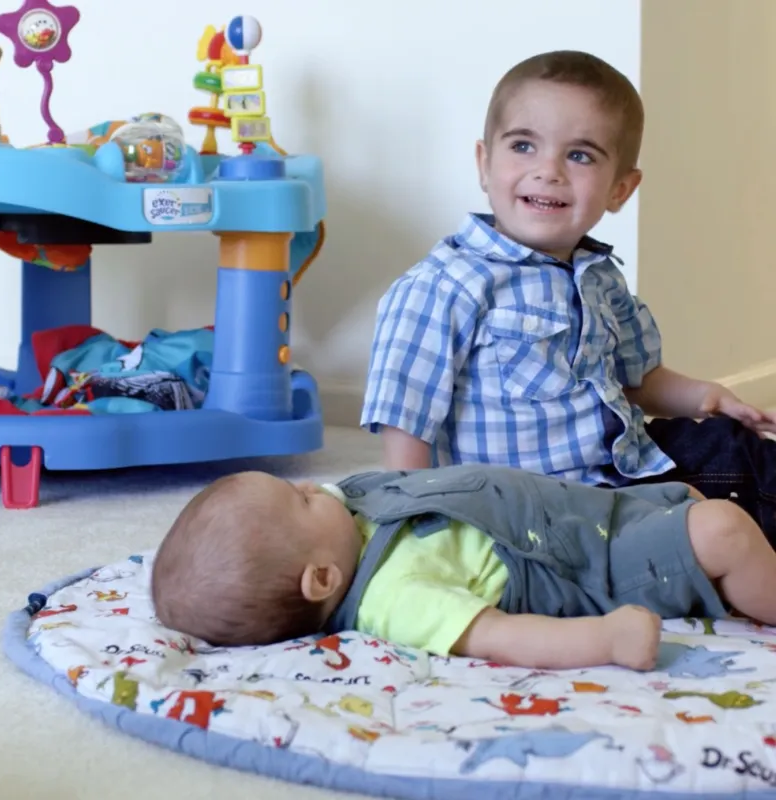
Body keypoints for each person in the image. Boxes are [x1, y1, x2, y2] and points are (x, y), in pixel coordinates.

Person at [359, 49, 776, 545]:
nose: (549, 170)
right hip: (536, 510)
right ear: (484, 163)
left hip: (618, 469)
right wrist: (420, 528)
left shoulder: (598, 275)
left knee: (733, 450)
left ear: (620, 189)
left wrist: (707, 396)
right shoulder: (444, 286)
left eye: (579, 155)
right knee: (694, 528)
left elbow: (638, 380)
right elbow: (405, 421)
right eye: (523, 146)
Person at [151, 464, 776, 671]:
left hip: (585, 512)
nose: (316, 485)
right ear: (322, 580)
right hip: (593, 568)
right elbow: (497, 635)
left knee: (696, 501)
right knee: (722, 531)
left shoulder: (351, 520)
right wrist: (606, 640)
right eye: (301, 498)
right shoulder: (395, 597)